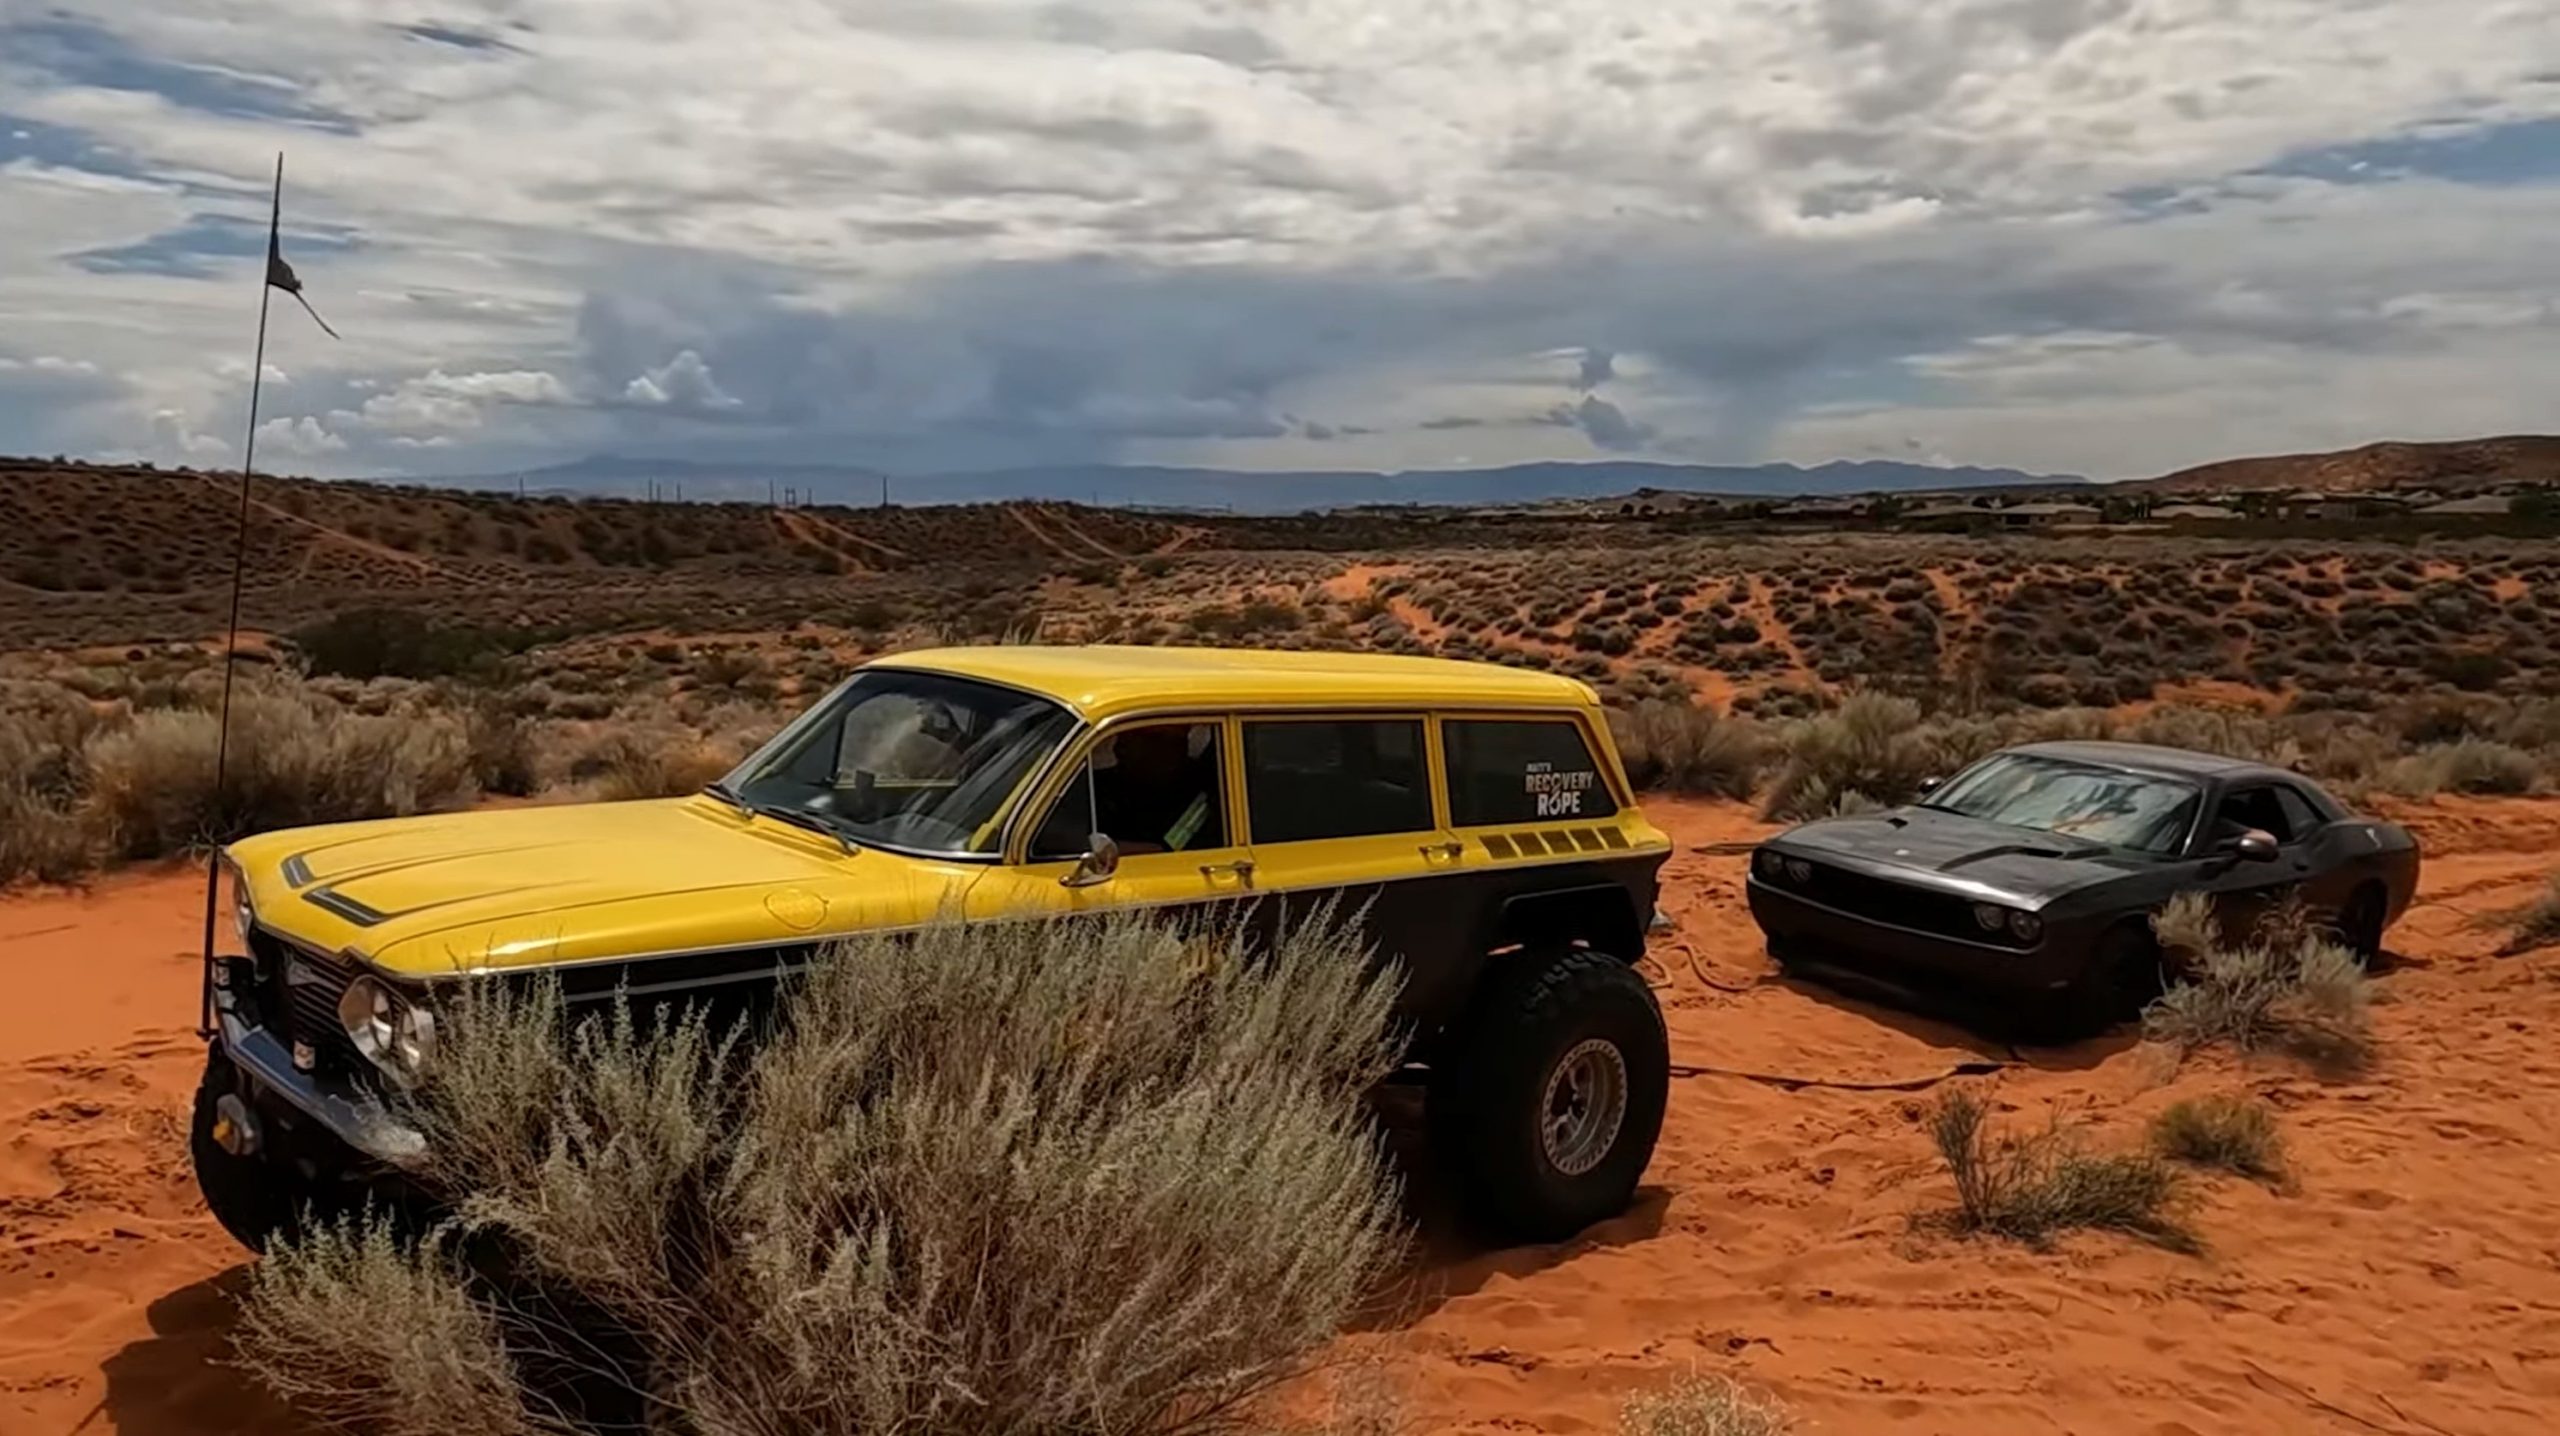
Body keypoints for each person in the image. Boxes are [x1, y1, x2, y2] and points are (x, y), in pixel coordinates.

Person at [1092, 725, 1221, 855]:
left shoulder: (1201, 791)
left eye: (1149, 739)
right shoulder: (1100, 786)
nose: (1120, 747)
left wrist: (1107, 849)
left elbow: (1166, 849)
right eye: (1123, 737)